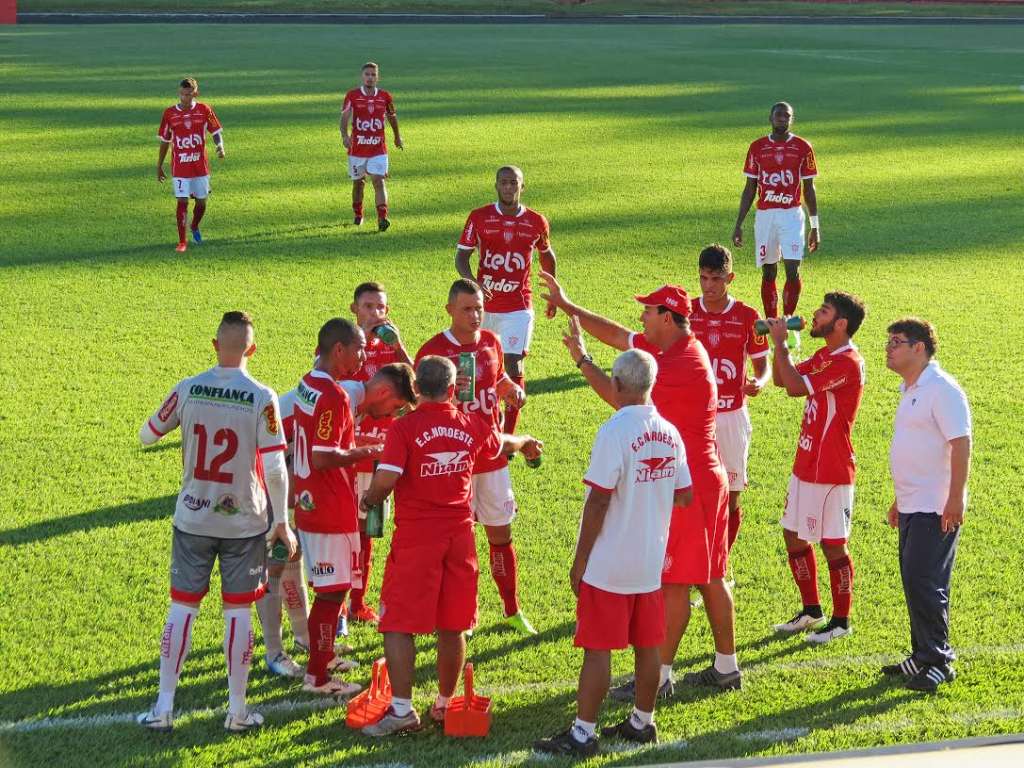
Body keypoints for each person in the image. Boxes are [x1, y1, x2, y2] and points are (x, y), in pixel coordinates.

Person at [540, 272, 740, 697]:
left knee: (675, 581)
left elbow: (623, 400)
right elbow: (619, 336)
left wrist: (583, 362)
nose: (642, 317)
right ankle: (726, 667)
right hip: (700, 479)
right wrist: (569, 305)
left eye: (648, 311)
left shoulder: (680, 364)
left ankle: (660, 676)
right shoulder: (674, 347)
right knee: (710, 576)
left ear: (667, 318)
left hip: (691, 487)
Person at [358, 356, 542, 736]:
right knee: (453, 622)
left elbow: (386, 480)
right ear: (454, 389)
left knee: (398, 624)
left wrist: (369, 499)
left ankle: (402, 710)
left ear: (416, 389)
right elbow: (499, 444)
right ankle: (444, 703)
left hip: (416, 540)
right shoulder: (469, 423)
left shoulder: (404, 428)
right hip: (460, 538)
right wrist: (525, 442)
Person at [136, 311, 296, 733]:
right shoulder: (261, 396)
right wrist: (281, 521)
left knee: (182, 608)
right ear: (252, 349)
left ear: (214, 345)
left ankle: (163, 708)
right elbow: (275, 468)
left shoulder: (187, 388)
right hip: (244, 523)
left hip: (193, 517)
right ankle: (237, 711)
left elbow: (147, 434)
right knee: (238, 612)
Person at [535, 349, 692, 758]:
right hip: (650, 561)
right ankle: (642, 722)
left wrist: (580, 559)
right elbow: (686, 495)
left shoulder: (614, 431)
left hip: (611, 561)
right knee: (648, 645)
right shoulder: (670, 432)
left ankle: (583, 733)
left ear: (618, 384)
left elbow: (600, 500)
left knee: (598, 648)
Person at [415, 279, 536, 635]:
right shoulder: (433, 352)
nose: (475, 315)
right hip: (454, 460)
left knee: (501, 533)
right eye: (467, 309)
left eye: (479, 308)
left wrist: (511, 391)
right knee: (459, 543)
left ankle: (511, 609)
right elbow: (420, 405)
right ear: (450, 310)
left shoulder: (491, 342)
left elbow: (498, 379)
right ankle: (461, 614)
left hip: (493, 454)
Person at [765, 293, 866, 644]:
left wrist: (782, 344)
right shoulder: (826, 355)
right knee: (792, 535)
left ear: (841, 323)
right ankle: (812, 611)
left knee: (832, 545)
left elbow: (796, 388)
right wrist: (780, 345)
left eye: (824, 312)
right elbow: (782, 380)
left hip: (831, 470)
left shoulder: (847, 363)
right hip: (806, 463)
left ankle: (841, 621)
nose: (815, 315)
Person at [292, 318, 381, 696]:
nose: (364, 354)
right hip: (329, 507)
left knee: (331, 591)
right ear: (339, 349)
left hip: (310, 501)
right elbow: (324, 456)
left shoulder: (307, 384)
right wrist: (368, 451)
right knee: (332, 594)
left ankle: (324, 656)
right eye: (360, 348)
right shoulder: (333, 395)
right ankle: (318, 677)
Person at [883, 318, 971, 692]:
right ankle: (922, 655)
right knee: (913, 579)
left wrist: (956, 498)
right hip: (912, 503)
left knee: (925, 581)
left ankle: (939, 661)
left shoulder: (942, 389)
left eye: (896, 342)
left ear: (918, 348)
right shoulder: (911, 389)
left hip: (935, 507)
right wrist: (899, 500)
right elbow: (917, 447)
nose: (888, 349)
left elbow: (961, 444)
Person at [455, 165, 557, 433]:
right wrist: (474, 284)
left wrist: (553, 295)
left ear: (522, 187)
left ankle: (507, 438)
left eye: (514, 183)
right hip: (482, 307)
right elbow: (462, 256)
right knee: (469, 362)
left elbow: (547, 256)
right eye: (504, 182)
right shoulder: (478, 217)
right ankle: (466, 425)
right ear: (496, 185)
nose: (509, 187)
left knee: (513, 364)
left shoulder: (536, 221)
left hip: (517, 307)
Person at [689, 244, 770, 556]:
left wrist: (759, 382)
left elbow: (762, 366)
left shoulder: (748, 316)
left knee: (731, 494)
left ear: (730, 278)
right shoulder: (686, 313)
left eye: (716, 279)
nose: (708, 286)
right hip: (692, 417)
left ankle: (719, 562)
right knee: (690, 492)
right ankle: (694, 559)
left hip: (732, 417)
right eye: (703, 278)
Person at [732, 101, 819, 348]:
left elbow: (809, 188)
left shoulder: (803, 147)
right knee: (769, 271)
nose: (782, 118)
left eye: (787, 115)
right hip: (765, 216)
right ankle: (772, 324)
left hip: (791, 215)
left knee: (792, 269)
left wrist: (815, 226)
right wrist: (739, 223)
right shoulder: (757, 148)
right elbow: (750, 188)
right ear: (770, 118)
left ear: (792, 119)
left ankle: (788, 323)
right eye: (778, 114)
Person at [339, 362, 418, 624]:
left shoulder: (394, 366)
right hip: (347, 467)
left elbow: (411, 390)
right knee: (342, 535)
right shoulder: (351, 368)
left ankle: (357, 603)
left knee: (366, 534)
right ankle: (338, 605)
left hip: (378, 470)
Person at [157, 77, 224, 253]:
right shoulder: (169, 114)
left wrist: (220, 145)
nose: (184, 98)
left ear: (195, 93)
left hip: (200, 165)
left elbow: (215, 131)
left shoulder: (204, 110)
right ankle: (182, 241)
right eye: (182, 94)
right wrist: (159, 165)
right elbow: (165, 141)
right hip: (180, 166)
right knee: (182, 200)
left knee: (201, 202)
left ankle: (194, 225)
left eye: (188, 94)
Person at [340, 62, 402, 231]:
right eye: (367, 74)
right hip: (357, 149)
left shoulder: (385, 96)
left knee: (378, 181)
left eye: (373, 75)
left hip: (378, 149)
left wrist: (397, 136)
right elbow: (344, 116)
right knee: (358, 183)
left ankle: (382, 218)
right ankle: (358, 214)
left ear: (377, 77)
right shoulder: (352, 95)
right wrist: (345, 135)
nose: (370, 77)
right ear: (362, 76)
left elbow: (392, 116)